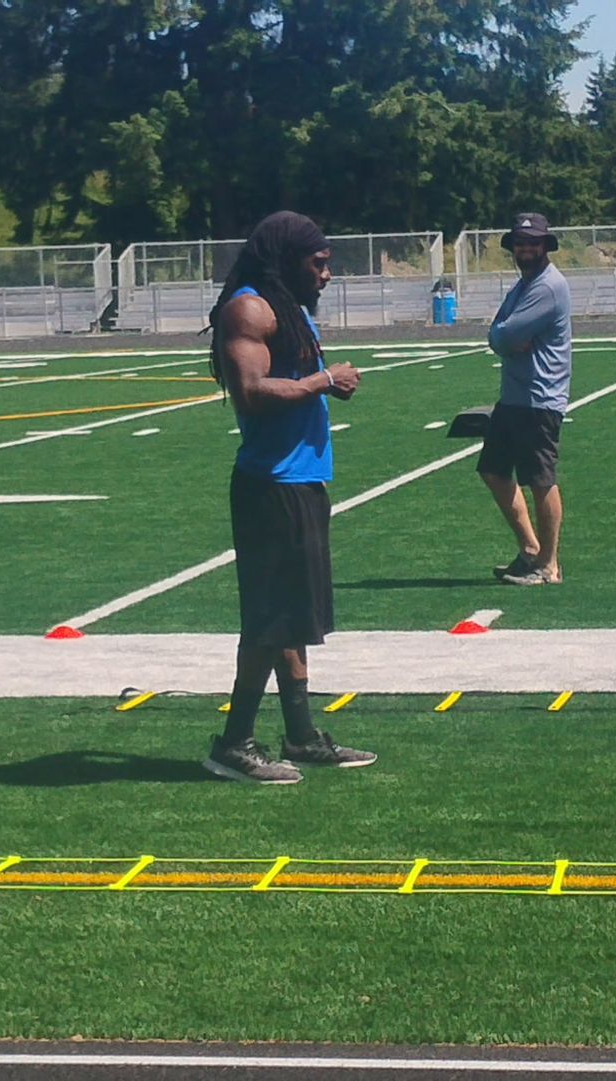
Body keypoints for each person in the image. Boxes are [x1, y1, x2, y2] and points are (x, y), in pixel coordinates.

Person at [202, 211, 375, 785]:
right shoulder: (249, 309)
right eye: (318, 263)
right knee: (270, 619)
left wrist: (321, 385)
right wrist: (323, 381)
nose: (326, 274)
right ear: (287, 259)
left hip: (301, 481)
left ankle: (300, 735)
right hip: (270, 484)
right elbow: (250, 392)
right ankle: (234, 743)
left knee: (293, 618)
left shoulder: (290, 307)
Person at [481, 212, 574, 586]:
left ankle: (549, 565)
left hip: (539, 398)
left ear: (545, 245)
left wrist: (502, 336)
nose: (525, 249)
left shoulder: (547, 287)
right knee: (493, 470)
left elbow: (504, 336)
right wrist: (502, 336)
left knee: (540, 480)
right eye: (520, 243)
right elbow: (498, 333)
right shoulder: (524, 286)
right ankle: (530, 550)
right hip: (515, 396)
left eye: (533, 243)